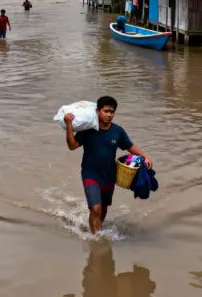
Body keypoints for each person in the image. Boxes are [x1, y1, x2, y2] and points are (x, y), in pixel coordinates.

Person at [64, 96, 152, 235]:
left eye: (112, 112)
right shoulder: (88, 130)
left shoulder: (118, 131)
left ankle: (96, 229)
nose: (109, 115)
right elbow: (72, 146)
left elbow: (130, 146)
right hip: (90, 174)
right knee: (96, 209)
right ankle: (96, 238)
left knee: (103, 209)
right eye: (106, 111)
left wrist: (145, 156)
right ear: (98, 111)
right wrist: (69, 125)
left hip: (109, 175)